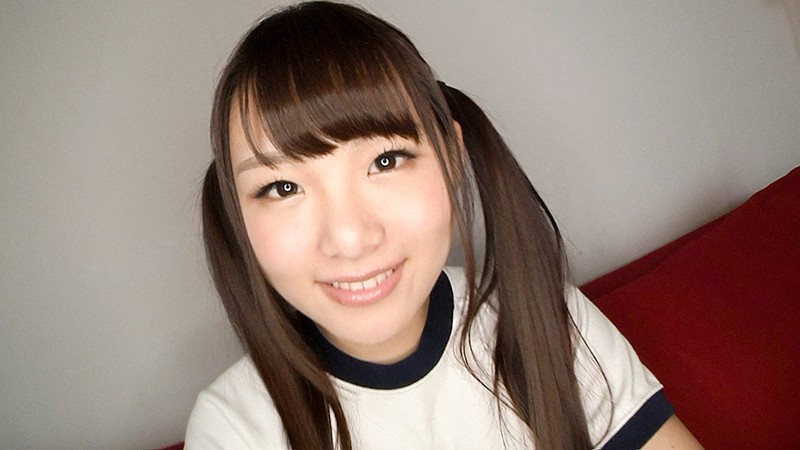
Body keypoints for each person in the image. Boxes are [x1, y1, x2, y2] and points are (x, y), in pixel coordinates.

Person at [185, 2, 702, 449]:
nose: (350, 238)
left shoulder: (544, 318)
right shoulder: (236, 428)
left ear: (452, 157)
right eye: (282, 188)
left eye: (385, 161)